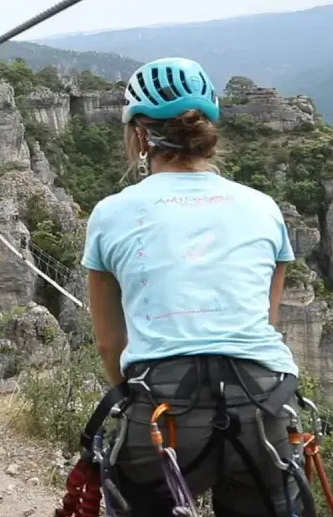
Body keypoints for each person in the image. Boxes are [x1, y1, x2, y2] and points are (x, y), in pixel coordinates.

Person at [82, 57, 304, 516]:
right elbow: (265, 321)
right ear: (207, 131)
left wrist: (138, 402)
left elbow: (110, 345)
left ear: (140, 136)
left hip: (161, 412)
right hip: (263, 405)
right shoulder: (263, 207)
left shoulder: (110, 213)